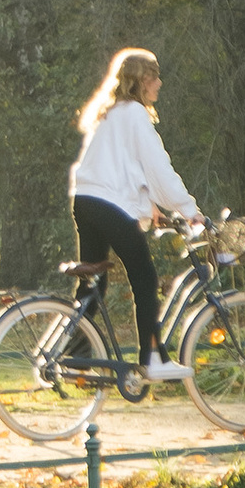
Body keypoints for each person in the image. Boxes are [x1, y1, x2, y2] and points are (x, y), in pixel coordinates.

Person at [68, 47, 204, 386]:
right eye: (155, 77)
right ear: (143, 81)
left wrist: (148, 206)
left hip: (86, 201)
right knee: (144, 278)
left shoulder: (110, 113)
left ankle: (74, 356)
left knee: (94, 282)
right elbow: (159, 169)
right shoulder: (135, 114)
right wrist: (190, 211)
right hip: (108, 205)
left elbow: (121, 171)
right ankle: (152, 359)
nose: (159, 83)